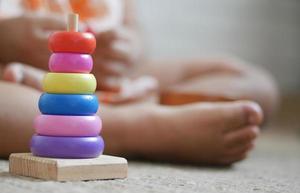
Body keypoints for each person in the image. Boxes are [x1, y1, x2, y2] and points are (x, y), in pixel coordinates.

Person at [0, 0, 279, 165]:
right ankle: (139, 126)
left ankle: (157, 107)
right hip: (30, 91)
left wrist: (130, 49)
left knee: (253, 83)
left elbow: (134, 31)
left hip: (115, 81)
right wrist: (6, 39)